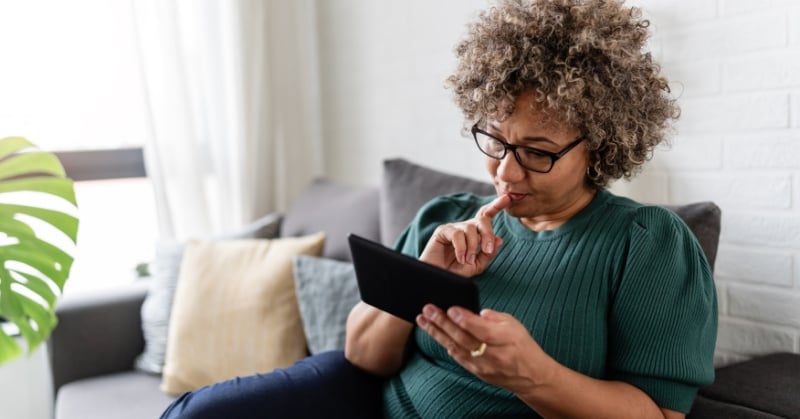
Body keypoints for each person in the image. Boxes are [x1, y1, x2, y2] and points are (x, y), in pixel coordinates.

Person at [161, 0, 717, 418]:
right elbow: (362, 355)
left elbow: (660, 415)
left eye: (538, 153)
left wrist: (533, 376)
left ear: (601, 146)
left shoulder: (646, 243)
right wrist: (422, 278)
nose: (505, 171)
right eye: (496, 141)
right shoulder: (443, 218)